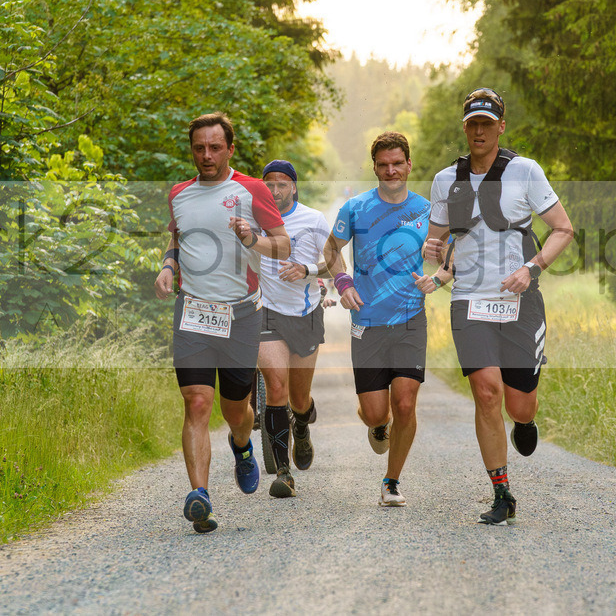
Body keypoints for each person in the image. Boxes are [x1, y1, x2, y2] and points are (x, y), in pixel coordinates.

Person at [421, 88, 573, 525]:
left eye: (488, 123)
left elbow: (563, 229)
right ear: (465, 129)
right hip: (469, 299)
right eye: (473, 124)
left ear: (501, 127)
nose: (480, 131)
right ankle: (501, 491)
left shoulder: (525, 172)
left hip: (519, 299)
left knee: (519, 403)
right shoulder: (444, 180)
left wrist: (533, 266)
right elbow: (438, 242)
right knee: (486, 392)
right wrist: (434, 252)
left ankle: (524, 423)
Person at [154, 112, 291, 534]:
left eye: (215, 147)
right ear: (192, 150)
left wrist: (253, 239)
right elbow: (177, 240)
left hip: (240, 315)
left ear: (230, 149)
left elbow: (283, 247)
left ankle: (243, 446)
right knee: (196, 402)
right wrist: (167, 265)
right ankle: (200, 496)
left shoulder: (251, 190)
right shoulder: (179, 194)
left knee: (236, 410)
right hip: (193, 312)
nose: (207, 155)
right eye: (199, 148)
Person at [323, 131, 429, 507]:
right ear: (374, 168)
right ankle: (377, 426)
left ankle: (392, 481)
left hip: (410, 319)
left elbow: (447, 252)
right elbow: (332, 248)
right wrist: (342, 280)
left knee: (405, 404)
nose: (390, 171)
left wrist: (440, 271)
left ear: (409, 164)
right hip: (366, 320)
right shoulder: (355, 208)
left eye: (397, 163)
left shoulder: (426, 210)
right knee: (374, 413)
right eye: (383, 165)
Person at [256, 160, 331, 498]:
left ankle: (301, 426)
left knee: (299, 399)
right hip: (266, 312)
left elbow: (334, 263)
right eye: (269, 182)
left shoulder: (313, 219)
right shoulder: (253, 220)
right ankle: (284, 472)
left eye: (283, 182)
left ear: (294, 187)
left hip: (305, 313)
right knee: (276, 387)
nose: (276, 188)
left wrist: (306, 269)